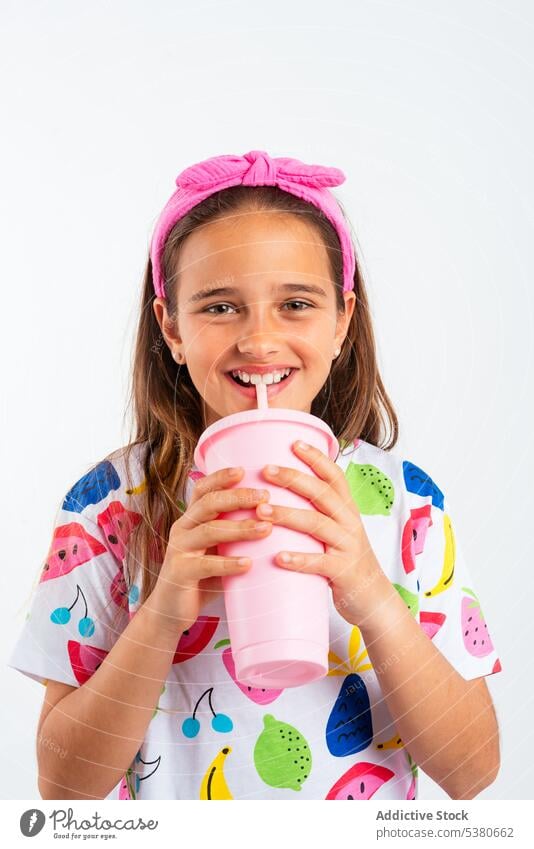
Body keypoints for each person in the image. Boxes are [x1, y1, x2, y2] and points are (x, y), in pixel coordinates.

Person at [8, 150, 502, 801]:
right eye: (219, 307)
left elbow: (472, 771)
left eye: (296, 303)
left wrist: (374, 599)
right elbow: (63, 788)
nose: (259, 339)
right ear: (171, 327)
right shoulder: (108, 507)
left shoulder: (409, 502)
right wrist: (161, 615)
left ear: (342, 323)